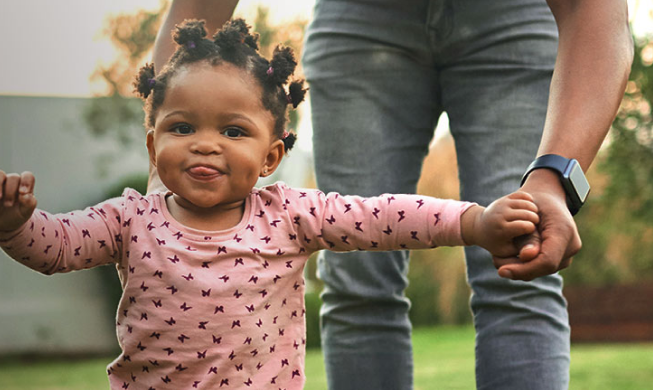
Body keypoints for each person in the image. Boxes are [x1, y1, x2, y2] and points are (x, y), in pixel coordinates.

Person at [0, 19, 546, 390]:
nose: (205, 142)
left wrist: (474, 221)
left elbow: (386, 217)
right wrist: (15, 225)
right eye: (181, 126)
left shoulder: (292, 216)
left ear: (270, 156)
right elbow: (58, 248)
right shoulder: (130, 218)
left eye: (232, 130)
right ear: (153, 146)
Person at [145, 1, 632, 388]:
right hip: (360, 20)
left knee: (523, 256)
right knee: (358, 279)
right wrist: (158, 185)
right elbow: (199, 6)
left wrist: (552, 180)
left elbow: (596, 10)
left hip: (521, 16)